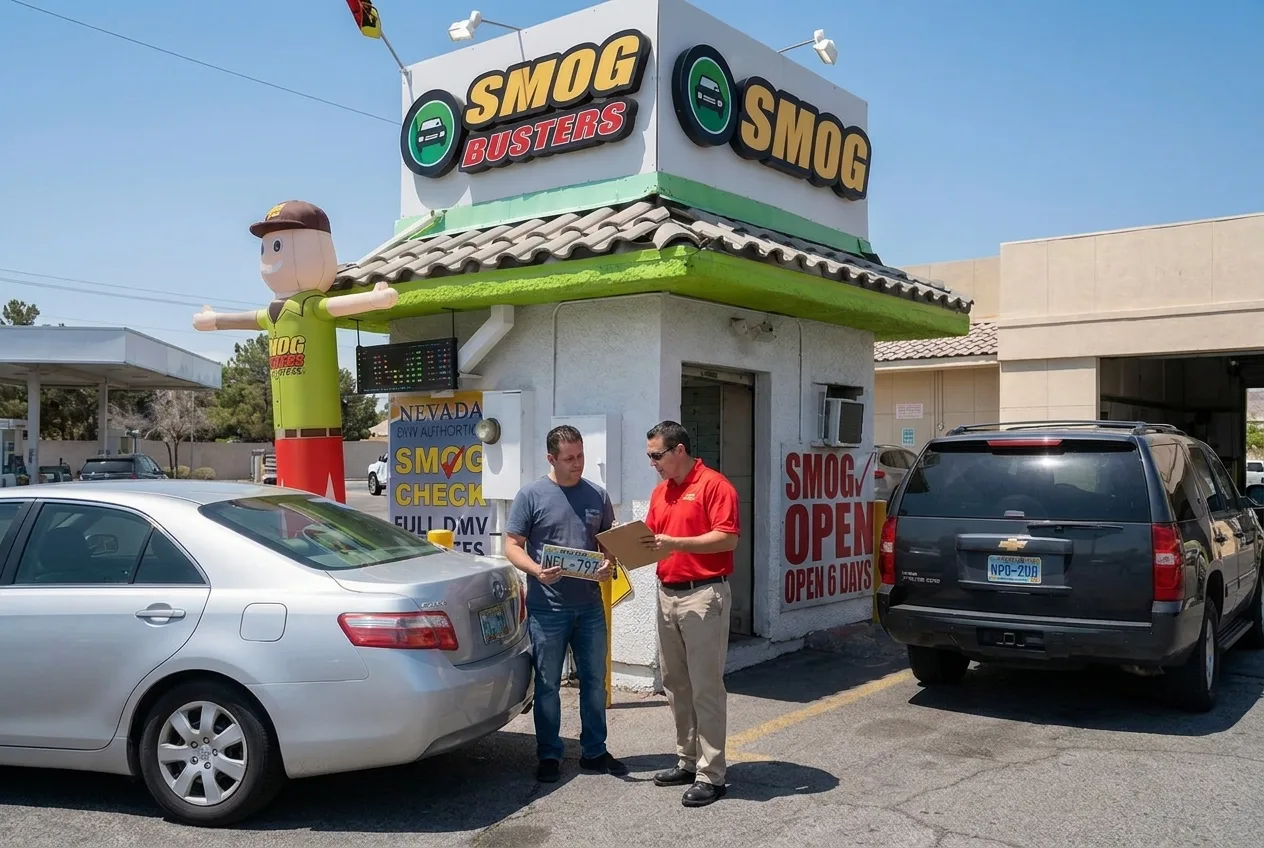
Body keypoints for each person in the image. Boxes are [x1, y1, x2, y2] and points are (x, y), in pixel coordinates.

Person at [504, 425, 628, 783]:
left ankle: (594, 751)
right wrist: (536, 569)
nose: (577, 464)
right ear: (551, 459)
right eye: (569, 458)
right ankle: (549, 754)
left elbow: (607, 544)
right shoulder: (531, 495)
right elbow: (512, 544)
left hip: (589, 607)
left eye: (581, 456)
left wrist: (609, 564)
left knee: (595, 681)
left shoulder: (597, 495)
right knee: (547, 685)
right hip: (548, 609)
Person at [641, 420, 740, 808]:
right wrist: (620, 545)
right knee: (676, 683)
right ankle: (687, 760)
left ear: (679, 450)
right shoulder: (661, 492)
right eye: (649, 455)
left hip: (704, 596)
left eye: (656, 455)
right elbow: (651, 539)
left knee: (706, 686)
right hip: (668, 594)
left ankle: (712, 774)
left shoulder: (715, 486)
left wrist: (676, 543)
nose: (652, 462)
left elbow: (728, 537)